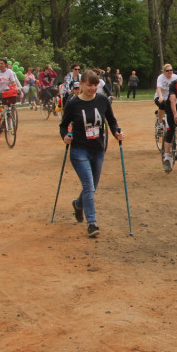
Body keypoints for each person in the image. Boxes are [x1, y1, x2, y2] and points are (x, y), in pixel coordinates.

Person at [60, 70, 123, 238]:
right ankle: (92, 222)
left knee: (93, 186)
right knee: (88, 185)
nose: (93, 88)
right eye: (89, 85)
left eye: (95, 85)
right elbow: (63, 125)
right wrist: (65, 136)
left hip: (98, 149)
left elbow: (111, 120)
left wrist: (116, 131)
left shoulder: (102, 100)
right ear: (81, 84)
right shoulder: (73, 103)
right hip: (79, 150)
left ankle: (78, 204)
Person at [0, 58, 22, 126]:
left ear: (5, 64)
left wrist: (16, 89)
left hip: (6, 93)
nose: (0, 65)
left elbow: (13, 82)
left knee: (9, 109)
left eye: (2, 63)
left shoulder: (10, 72)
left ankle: (8, 124)